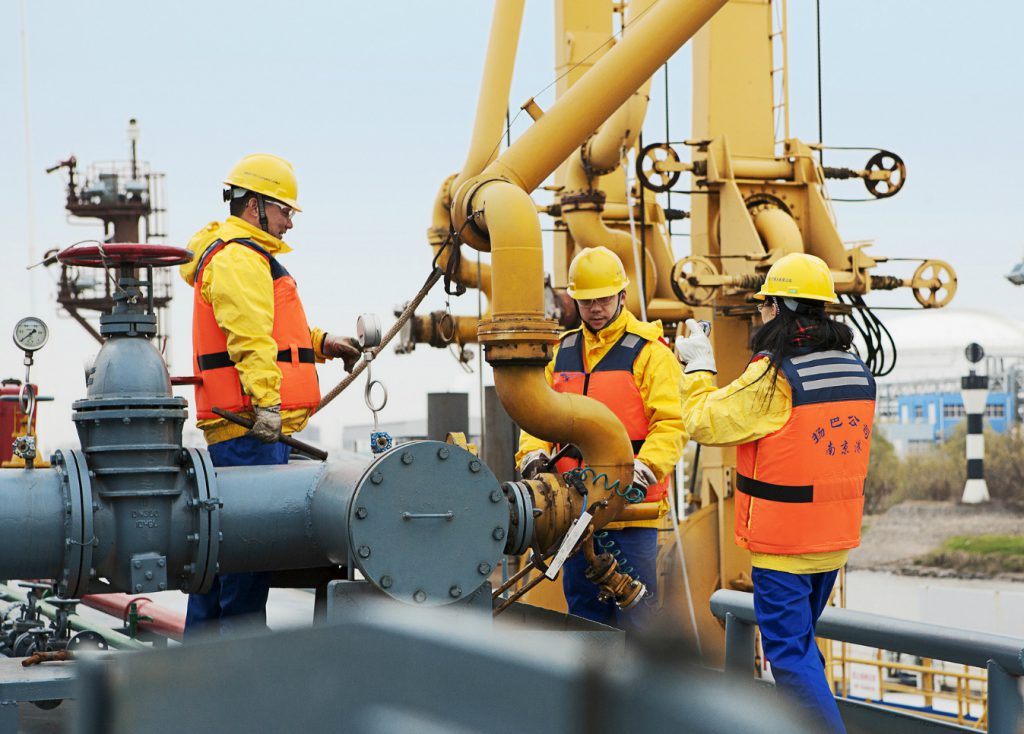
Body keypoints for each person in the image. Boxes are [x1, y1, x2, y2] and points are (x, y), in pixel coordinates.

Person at [675, 252, 875, 733]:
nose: (761, 314)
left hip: (785, 546)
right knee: (801, 649)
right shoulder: (853, 368)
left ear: (781, 308)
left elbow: (702, 421)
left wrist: (699, 367)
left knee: (787, 656)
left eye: (765, 305)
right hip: (834, 542)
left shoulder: (775, 376)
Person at [179, 153, 360, 637]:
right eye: (284, 211)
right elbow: (250, 339)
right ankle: (239, 667)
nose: (289, 222)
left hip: (248, 430)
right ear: (254, 204)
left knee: (219, 556)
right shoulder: (239, 257)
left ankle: (203, 664)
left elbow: (277, 334)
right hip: (249, 432)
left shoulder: (245, 256)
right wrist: (267, 405)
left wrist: (323, 344)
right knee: (246, 559)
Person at [515, 246, 685, 631]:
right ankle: (593, 674)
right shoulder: (560, 352)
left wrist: (645, 467)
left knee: (638, 619)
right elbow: (536, 416)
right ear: (574, 301)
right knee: (584, 619)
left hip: (632, 514)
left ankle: (637, 675)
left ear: (622, 296)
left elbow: (672, 423)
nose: (595, 308)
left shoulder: (651, 353)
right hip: (574, 511)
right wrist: (532, 455)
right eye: (587, 301)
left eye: (604, 299)